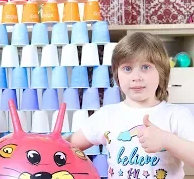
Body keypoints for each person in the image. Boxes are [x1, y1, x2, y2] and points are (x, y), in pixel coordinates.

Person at [65, 32, 194, 178]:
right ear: (117, 75)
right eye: (127, 68)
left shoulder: (177, 115)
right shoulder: (106, 115)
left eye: (145, 67)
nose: (136, 77)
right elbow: (67, 146)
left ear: (161, 72)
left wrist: (167, 140)